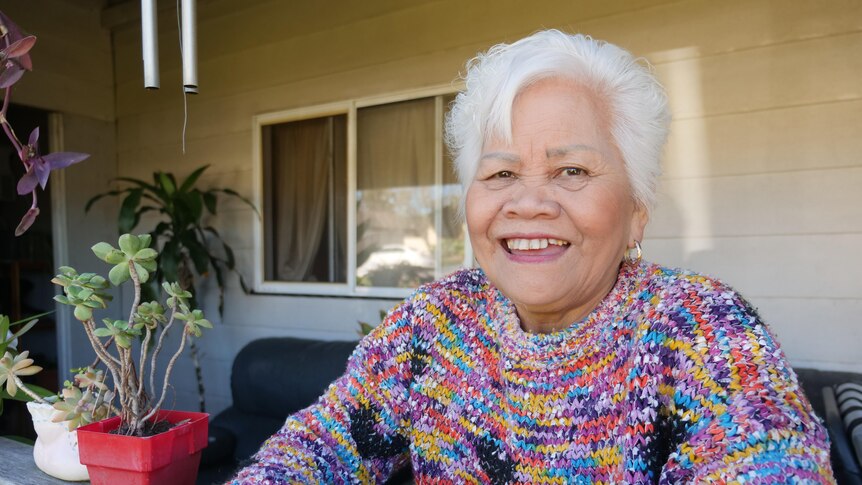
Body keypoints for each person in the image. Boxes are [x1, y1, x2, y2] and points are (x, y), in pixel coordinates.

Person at [231, 30, 834, 484]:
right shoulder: (433, 323)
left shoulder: (702, 330)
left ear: (637, 211)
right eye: (500, 172)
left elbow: (767, 460)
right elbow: (317, 449)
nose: (528, 203)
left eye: (572, 170)